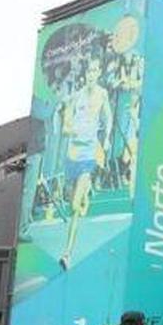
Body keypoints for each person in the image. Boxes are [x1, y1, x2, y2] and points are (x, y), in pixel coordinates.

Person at [59, 55, 112, 270]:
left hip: (88, 156)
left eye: (95, 70)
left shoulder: (102, 94)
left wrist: (106, 139)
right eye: (88, 71)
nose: (91, 74)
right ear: (86, 74)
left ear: (99, 72)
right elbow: (65, 127)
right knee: (72, 200)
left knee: (73, 207)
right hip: (72, 155)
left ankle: (66, 254)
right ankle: (85, 194)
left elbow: (107, 118)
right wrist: (73, 128)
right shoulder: (76, 97)